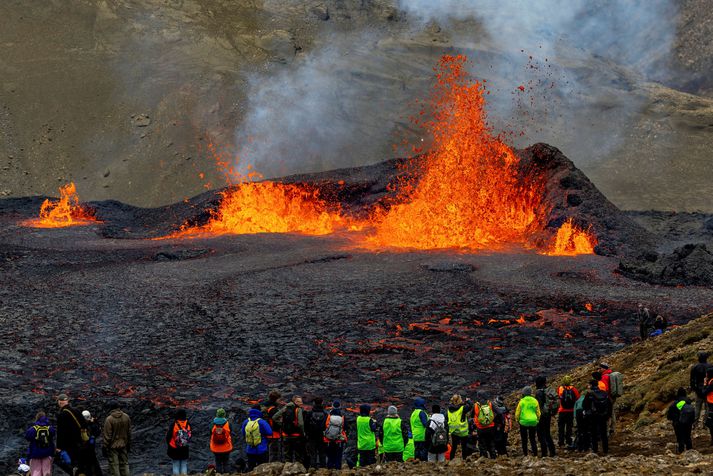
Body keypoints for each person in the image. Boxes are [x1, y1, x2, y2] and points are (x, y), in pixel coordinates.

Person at [55, 394, 87, 476]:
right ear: (67, 401)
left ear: (59, 402)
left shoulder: (62, 415)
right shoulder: (77, 410)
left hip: (68, 444)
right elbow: (84, 425)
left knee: (71, 464)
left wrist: (59, 447)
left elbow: (60, 432)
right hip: (80, 441)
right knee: (80, 464)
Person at [274, 395, 307, 466]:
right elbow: (301, 423)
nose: (301, 403)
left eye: (301, 401)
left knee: (287, 456)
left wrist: (281, 425)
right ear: (295, 401)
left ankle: (287, 470)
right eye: (299, 402)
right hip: (296, 436)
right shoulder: (298, 409)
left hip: (286, 435)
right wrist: (302, 433)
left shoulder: (285, 408)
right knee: (298, 455)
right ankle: (297, 471)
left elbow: (274, 417)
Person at [102, 402, 131, 476]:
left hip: (113, 447)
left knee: (114, 466)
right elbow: (129, 432)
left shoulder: (109, 419)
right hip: (123, 444)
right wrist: (128, 443)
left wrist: (105, 447)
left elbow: (107, 436)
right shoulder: (126, 417)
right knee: (124, 464)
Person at [583, 380, 611, 454]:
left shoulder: (589, 394)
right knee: (603, 433)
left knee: (594, 433)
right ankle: (605, 450)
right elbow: (609, 405)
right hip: (603, 415)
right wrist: (608, 415)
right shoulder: (604, 393)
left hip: (593, 416)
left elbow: (584, 405)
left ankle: (595, 450)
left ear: (591, 385)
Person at [241, 406, 273, 471]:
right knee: (262, 468)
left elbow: (243, 433)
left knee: (251, 468)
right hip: (262, 449)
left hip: (250, 449)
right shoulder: (262, 422)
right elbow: (270, 432)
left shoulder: (246, 421)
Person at [25, 411, 55, 476]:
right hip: (47, 453)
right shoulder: (50, 428)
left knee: (36, 471)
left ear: (37, 418)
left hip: (35, 454)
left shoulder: (32, 429)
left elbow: (27, 437)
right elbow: (53, 434)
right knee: (47, 471)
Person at [667, 388, 695, 453]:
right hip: (688, 422)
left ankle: (681, 452)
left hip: (678, 423)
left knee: (680, 438)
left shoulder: (675, 403)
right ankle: (690, 451)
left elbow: (669, 416)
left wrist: (674, 419)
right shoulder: (688, 402)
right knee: (688, 437)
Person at [534, 376, 556, 457]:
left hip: (541, 416)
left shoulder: (538, 393)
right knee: (547, 433)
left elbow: (538, 406)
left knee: (540, 435)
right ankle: (552, 451)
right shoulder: (548, 390)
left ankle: (544, 453)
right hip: (548, 415)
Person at [515, 386, 540, 457]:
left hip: (523, 422)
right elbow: (538, 412)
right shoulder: (535, 401)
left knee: (524, 439)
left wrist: (517, 420)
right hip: (533, 421)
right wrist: (537, 419)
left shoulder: (522, 401)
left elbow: (517, 412)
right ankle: (535, 454)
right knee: (532, 439)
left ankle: (525, 454)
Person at [260, 390, 283, 463]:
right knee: (274, 453)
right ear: (275, 399)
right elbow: (276, 422)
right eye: (279, 399)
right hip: (274, 434)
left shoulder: (265, 407)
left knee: (269, 452)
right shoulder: (273, 409)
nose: (280, 401)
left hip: (267, 433)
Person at [447, 394, 472, 460]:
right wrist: (468, 401)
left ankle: (451, 459)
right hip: (462, 431)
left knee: (454, 447)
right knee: (464, 447)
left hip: (454, 431)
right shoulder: (463, 408)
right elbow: (470, 406)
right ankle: (464, 460)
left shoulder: (449, 409)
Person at [557, 375, 580, 449]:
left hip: (562, 411)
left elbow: (559, 397)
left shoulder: (560, 388)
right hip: (571, 411)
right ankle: (568, 441)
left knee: (561, 427)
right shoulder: (574, 389)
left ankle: (561, 442)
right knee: (569, 426)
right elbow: (577, 398)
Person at [166, 409, 191, 475]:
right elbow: (190, 435)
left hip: (175, 448)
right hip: (185, 448)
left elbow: (168, 436)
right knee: (184, 464)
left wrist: (169, 444)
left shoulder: (174, 424)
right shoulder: (188, 424)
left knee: (175, 465)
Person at [323, 401, 347, 469]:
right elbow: (346, 427)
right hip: (339, 440)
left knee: (330, 455)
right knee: (338, 456)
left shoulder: (328, 416)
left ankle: (329, 469)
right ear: (340, 407)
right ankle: (338, 469)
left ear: (332, 406)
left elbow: (324, 426)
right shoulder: (342, 417)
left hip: (328, 439)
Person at [305, 397, 327, 469]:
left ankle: (313, 468)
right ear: (322, 403)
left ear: (314, 403)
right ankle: (323, 468)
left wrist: (307, 434)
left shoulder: (309, 413)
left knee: (312, 453)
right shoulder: (325, 414)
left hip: (311, 436)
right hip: (322, 436)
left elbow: (305, 425)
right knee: (322, 453)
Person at [473, 395, 497, 459]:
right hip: (491, 427)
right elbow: (498, 411)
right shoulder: (490, 404)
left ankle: (484, 459)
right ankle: (493, 457)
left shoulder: (475, 405)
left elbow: (471, 415)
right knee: (491, 442)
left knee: (482, 444)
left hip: (480, 428)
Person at [690, 352, 710, 425]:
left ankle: (695, 423)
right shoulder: (710, 366)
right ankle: (706, 423)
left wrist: (695, 389)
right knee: (707, 407)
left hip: (698, 389)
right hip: (708, 389)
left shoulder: (695, 367)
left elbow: (692, 380)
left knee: (697, 406)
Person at [209, 408, 232, 473]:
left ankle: (219, 474)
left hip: (216, 448)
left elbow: (210, 433)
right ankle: (227, 474)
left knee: (218, 463)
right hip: (226, 448)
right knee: (226, 463)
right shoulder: (228, 424)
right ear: (224, 415)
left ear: (217, 415)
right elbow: (230, 433)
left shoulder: (212, 424)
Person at [703, 368, 713, 444]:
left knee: (710, 422)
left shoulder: (712, 382)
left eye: (707, 373)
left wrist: (705, 384)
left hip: (712, 403)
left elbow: (705, 392)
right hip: (710, 402)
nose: (706, 375)